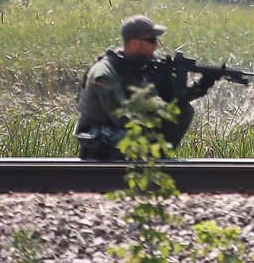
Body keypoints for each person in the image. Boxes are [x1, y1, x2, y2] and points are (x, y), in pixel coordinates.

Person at [74, 14, 217, 160]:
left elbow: (176, 99)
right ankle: (135, 162)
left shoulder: (147, 64)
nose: (155, 45)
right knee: (140, 130)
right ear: (134, 43)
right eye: (151, 40)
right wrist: (153, 120)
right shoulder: (104, 74)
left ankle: (159, 161)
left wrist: (201, 85)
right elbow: (122, 117)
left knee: (183, 111)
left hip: (126, 128)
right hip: (100, 136)